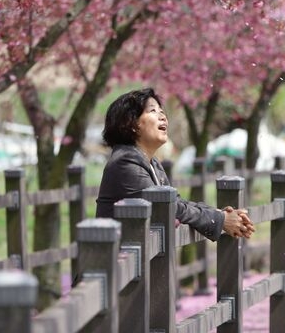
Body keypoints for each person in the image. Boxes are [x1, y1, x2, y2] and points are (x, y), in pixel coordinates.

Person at [96, 88, 255, 240]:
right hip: (119, 263)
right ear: (130, 124)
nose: (163, 116)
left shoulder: (151, 162)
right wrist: (220, 219)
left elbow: (176, 202)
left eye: (162, 111)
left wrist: (219, 213)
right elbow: (166, 207)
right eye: (153, 111)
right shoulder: (126, 162)